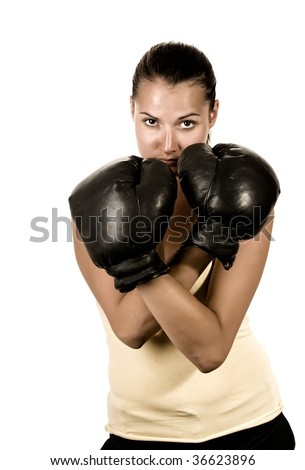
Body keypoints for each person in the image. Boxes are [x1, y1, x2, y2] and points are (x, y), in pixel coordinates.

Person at [68, 42, 295, 450]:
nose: (168, 143)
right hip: (135, 436)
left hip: (247, 427)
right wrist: (202, 243)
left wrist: (205, 229)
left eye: (187, 123)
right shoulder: (98, 205)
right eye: (151, 121)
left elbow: (210, 350)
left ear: (213, 115)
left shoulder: (243, 196)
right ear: (131, 110)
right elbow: (131, 328)